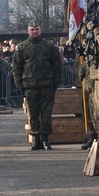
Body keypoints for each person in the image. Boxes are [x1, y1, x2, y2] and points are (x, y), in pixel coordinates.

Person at [12, 19, 63, 150]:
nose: (35, 32)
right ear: (28, 31)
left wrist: (55, 83)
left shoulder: (49, 46)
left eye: (37, 29)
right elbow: (17, 67)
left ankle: (45, 139)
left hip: (47, 85)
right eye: (32, 29)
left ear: (41, 30)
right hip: (29, 86)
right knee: (33, 114)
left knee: (46, 114)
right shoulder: (22, 47)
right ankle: (36, 140)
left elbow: (57, 66)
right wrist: (20, 85)